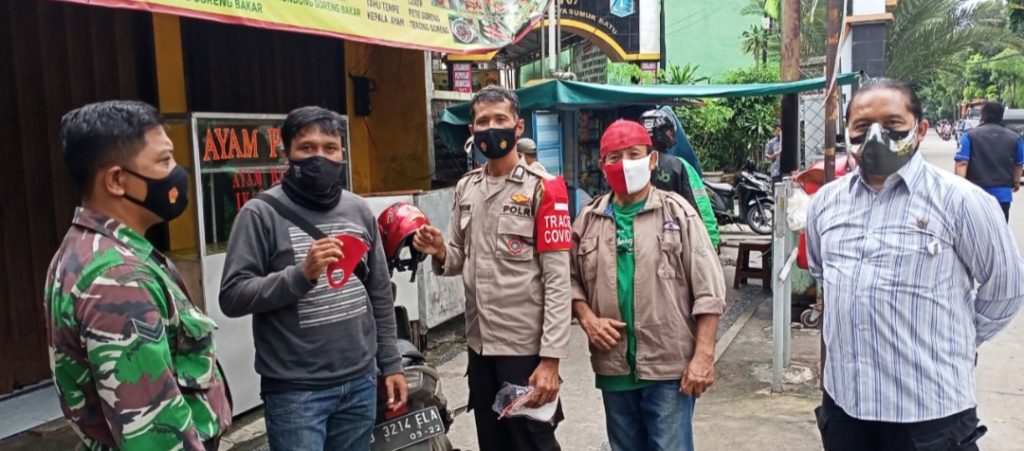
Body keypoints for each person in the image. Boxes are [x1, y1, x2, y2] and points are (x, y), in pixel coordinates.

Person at [806, 78, 1024, 451]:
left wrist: (954, 339)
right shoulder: (826, 203)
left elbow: (1006, 289)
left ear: (920, 129)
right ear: (847, 131)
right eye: (862, 126)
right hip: (845, 407)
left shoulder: (962, 202)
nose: (876, 136)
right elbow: (822, 272)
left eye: (892, 124)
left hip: (929, 414)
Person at [44, 101, 232, 450]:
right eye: (164, 161)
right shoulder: (117, 279)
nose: (177, 172)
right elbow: (154, 436)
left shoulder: (91, 249)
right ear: (117, 180)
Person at [219, 106, 406, 450]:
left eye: (330, 148)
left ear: (342, 153)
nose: (320, 157)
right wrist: (301, 275)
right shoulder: (260, 214)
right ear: (286, 153)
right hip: (296, 392)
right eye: (307, 148)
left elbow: (379, 292)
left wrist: (391, 363)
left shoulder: (358, 210)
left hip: (360, 382)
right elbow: (232, 296)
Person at [412, 85, 572, 451]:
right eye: (482, 121)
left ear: (518, 127)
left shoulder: (545, 189)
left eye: (500, 119)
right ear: (472, 131)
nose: (491, 128)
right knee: (493, 443)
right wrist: (440, 249)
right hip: (480, 347)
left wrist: (550, 360)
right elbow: (458, 258)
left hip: (525, 349)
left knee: (532, 442)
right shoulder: (466, 188)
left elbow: (558, 281)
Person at [570, 120, 726, 451]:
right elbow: (568, 279)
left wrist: (704, 356)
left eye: (633, 154)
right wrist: (587, 319)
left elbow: (709, 291)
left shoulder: (678, 213)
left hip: (668, 369)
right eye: (614, 157)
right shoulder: (588, 220)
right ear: (602, 165)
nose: (624, 164)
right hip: (614, 368)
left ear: (652, 160)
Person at [640, 108, 721, 249]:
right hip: (672, 241)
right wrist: (711, 242)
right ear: (666, 134)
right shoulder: (679, 166)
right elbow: (700, 206)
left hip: (639, 242)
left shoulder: (628, 165)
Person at [954, 101, 1024, 221]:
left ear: (982, 116)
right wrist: (1016, 182)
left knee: (975, 228)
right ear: (1001, 116)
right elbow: (1018, 164)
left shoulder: (969, 136)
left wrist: (960, 188)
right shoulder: (1015, 138)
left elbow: (962, 163)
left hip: (975, 194)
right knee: (1000, 227)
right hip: (1003, 196)